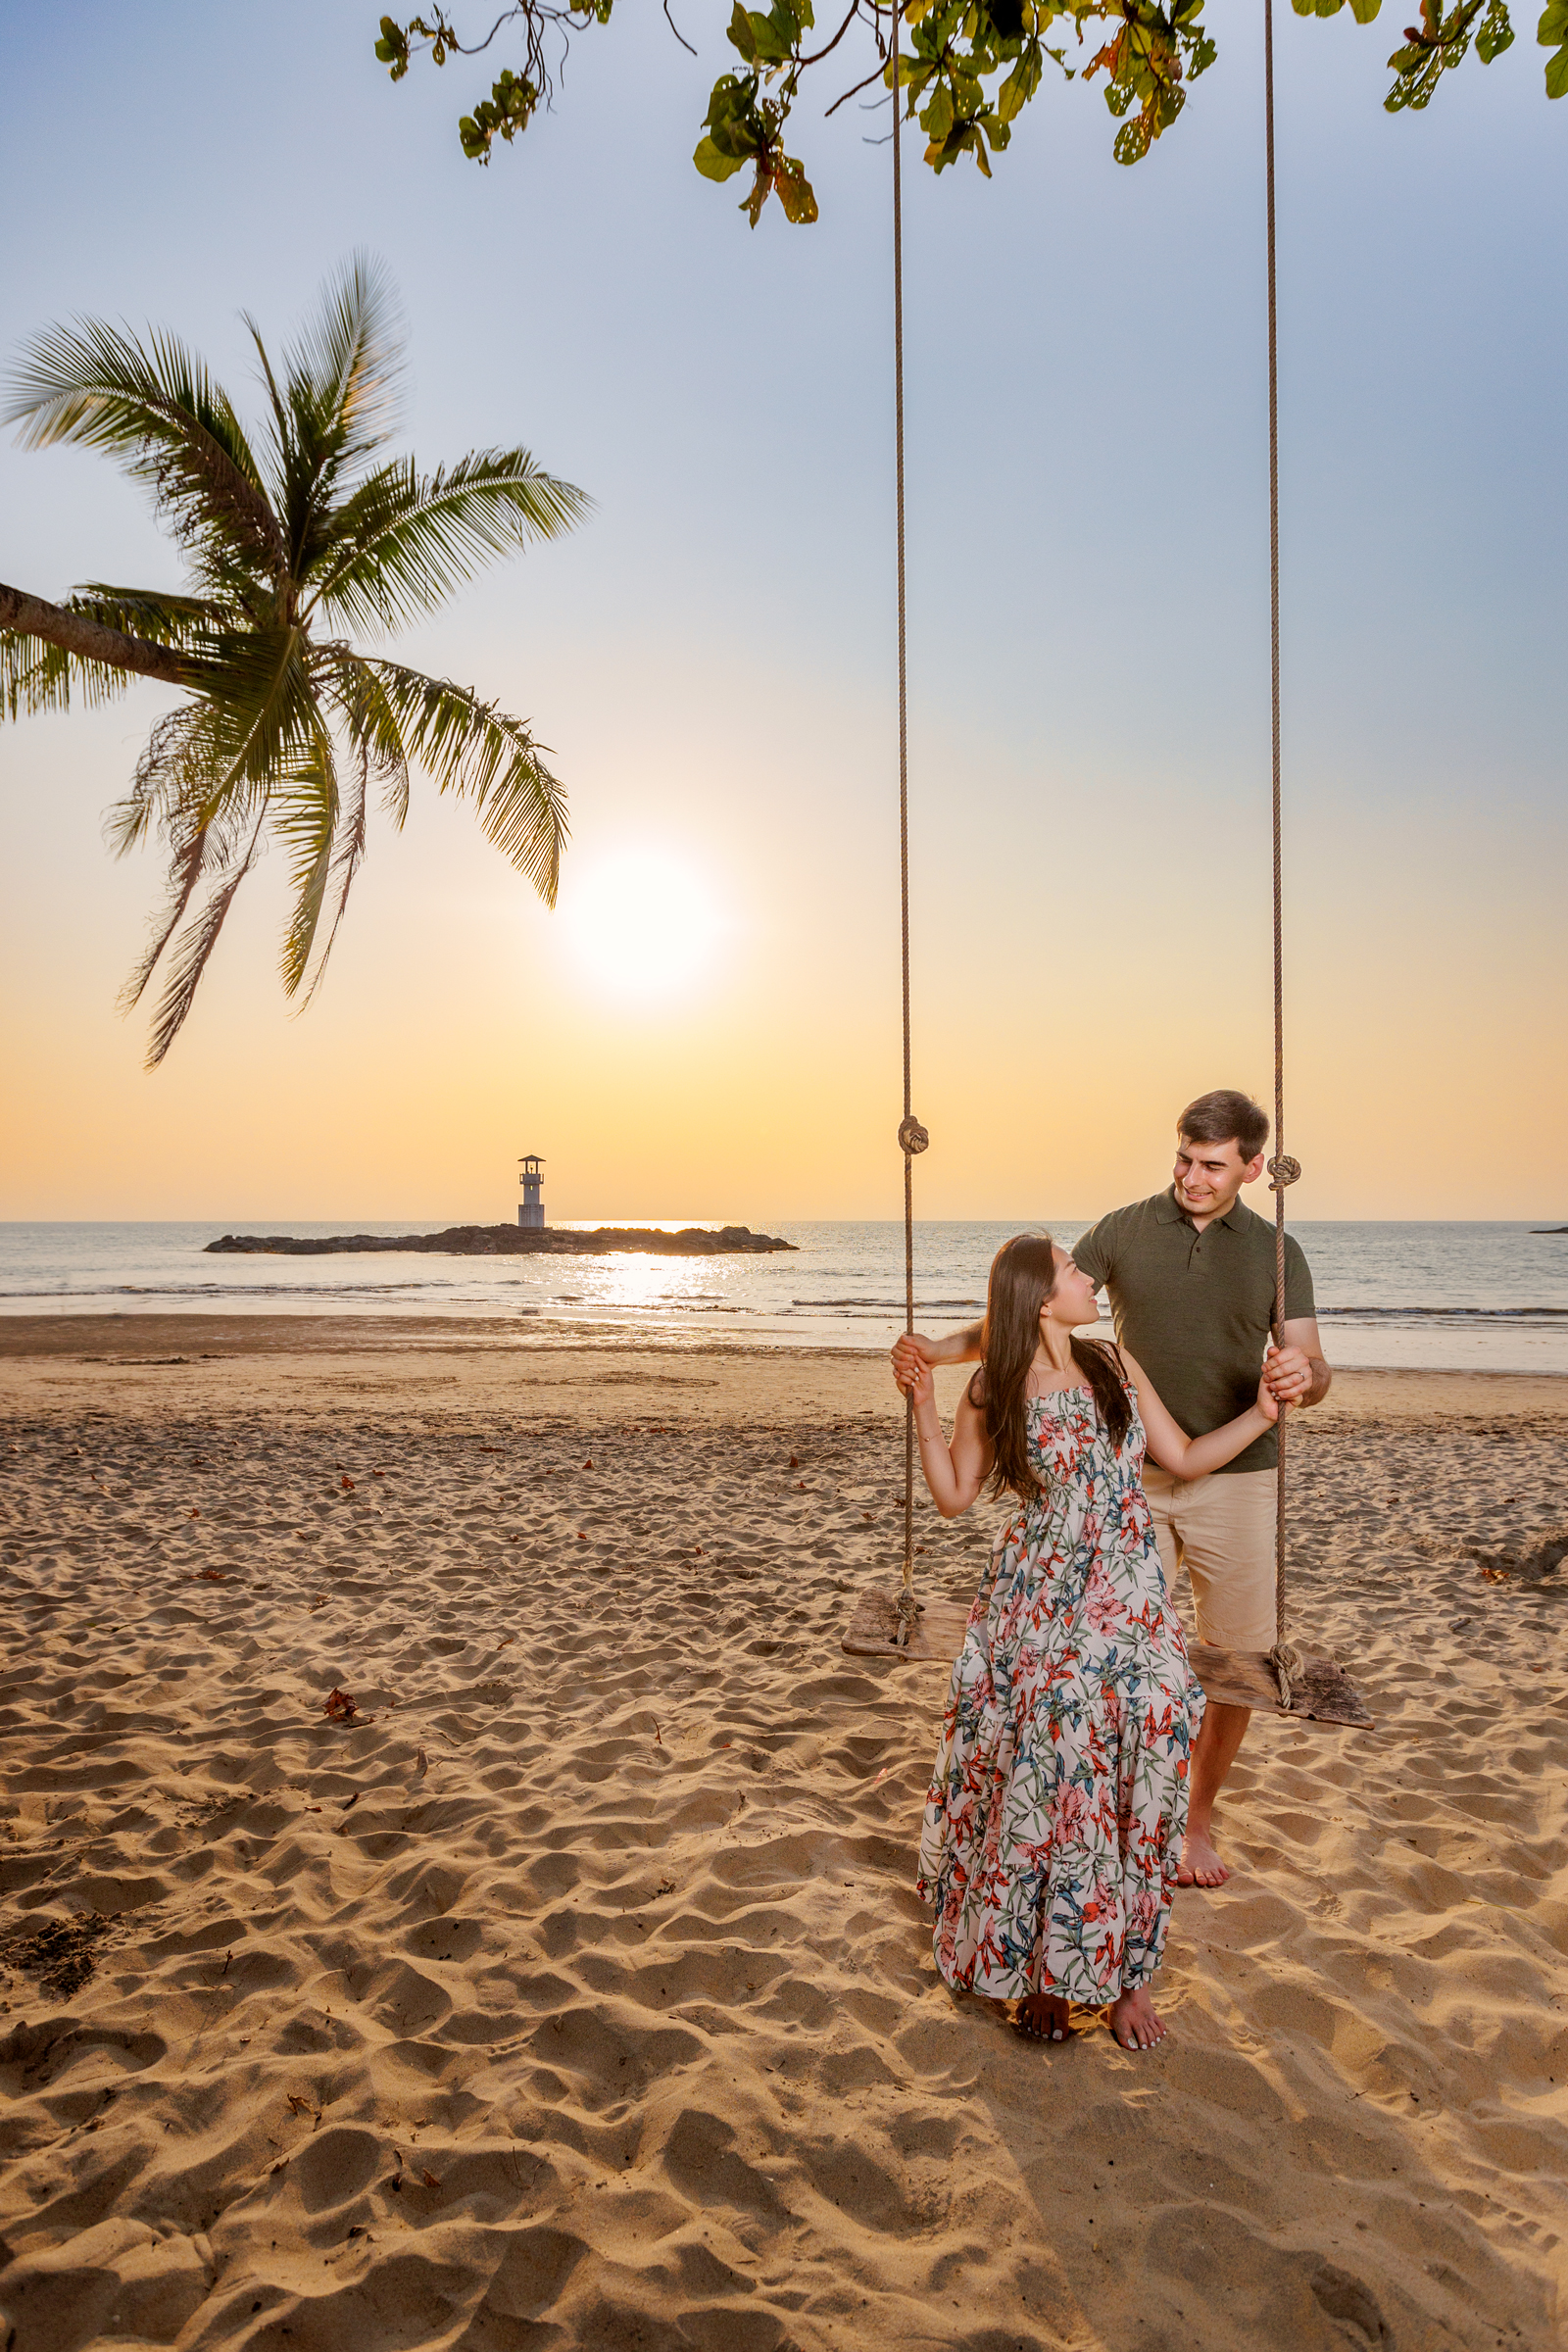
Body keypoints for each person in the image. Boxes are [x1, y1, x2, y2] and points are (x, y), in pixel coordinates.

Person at [892, 1089, 1330, 1889]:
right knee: (1112, 1679)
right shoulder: (1122, 1232)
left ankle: (1190, 1822)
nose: (1193, 1177)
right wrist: (942, 1356)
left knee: (1233, 1659)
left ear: (1253, 1167)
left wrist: (1297, 1383)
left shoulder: (1275, 1254)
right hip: (1124, 1493)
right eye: (1183, 1159)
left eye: (1212, 1166)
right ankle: (1108, 1831)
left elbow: (1305, 1366)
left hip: (1228, 1472)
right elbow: (1025, 1309)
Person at [902, 1232, 1279, 2050]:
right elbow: (955, 1497)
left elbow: (1179, 1456)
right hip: (1039, 1591)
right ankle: (1048, 1969)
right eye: (1073, 1272)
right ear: (1043, 1298)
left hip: (1130, 1590)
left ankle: (1127, 1975)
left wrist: (1261, 1414)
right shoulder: (994, 1385)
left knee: (1158, 1715)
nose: (1087, 1279)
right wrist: (922, 1401)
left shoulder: (1112, 1363)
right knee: (1059, 1727)